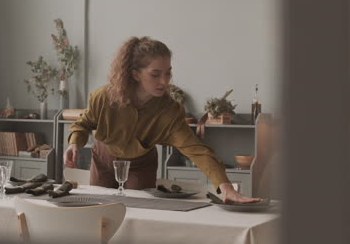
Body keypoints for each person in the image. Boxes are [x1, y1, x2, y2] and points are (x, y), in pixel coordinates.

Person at [64, 36, 259, 203]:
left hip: (140, 164)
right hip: (103, 159)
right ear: (135, 74)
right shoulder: (103, 97)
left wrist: (225, 187)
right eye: (155, 74)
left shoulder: (170, 111)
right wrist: (74, 143)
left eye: (168, 73)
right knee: (101, 210)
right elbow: (84, 123)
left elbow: (196, 150)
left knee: (141, 211)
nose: (164, 81)